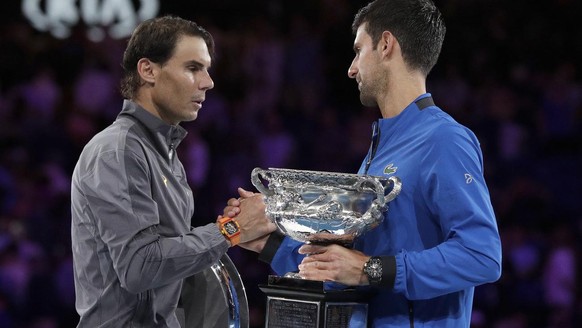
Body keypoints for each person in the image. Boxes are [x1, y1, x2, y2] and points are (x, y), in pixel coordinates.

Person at [225, 0, 502, 326]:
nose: (351, 68)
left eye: (358, 50)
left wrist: (369, 269)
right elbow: (345, 268)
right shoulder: (377, 154)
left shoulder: (444, 139)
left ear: (386, 45)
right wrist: (265, 241)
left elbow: (481, 255)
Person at [70, 16, 275, 327]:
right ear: (148, 70)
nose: (208, 82)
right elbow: (139, 267)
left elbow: (170, 266)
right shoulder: (119, 151)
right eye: (193, 68)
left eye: (207, 69)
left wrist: (232, 225)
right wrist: (231, 231)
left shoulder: (165, 156)